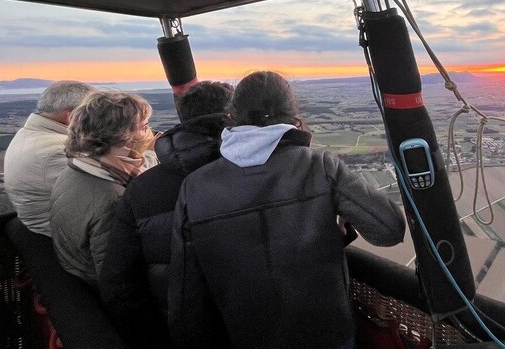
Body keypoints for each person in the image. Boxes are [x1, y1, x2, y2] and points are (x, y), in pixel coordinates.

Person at [169, 71, 406, 349]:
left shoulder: (194, 187)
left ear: (232, 117)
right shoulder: (319, 166)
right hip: (327, 332)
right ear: (294, 116)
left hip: (247, 336)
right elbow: (389, 229)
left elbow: (186, 288)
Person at [99, 81, 233, 349]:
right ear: (233, 118)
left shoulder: (142, 188)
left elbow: (120, 285)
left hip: (176, 333)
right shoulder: (259, 176)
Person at [50, 91, 157, 287]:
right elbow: (118, 279)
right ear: (121, 136)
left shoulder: (79, 167)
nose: (148, 133)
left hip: (75, 271)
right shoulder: (114, 200)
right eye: (143, 127)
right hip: (94, 287)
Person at [4, 80, 95, 236]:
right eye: (95, 113)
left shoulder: (30, 133)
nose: (99, 119)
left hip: (56, 227)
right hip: (68, 239)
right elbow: (108, 190)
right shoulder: (56, 151)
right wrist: (145, 151)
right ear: (72, 116)